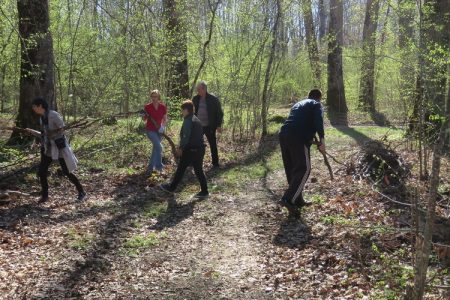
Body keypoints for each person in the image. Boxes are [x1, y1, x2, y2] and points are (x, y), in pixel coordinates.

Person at [25, 97, 86, 203]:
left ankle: (81, 192)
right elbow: (44, 134)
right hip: (47, 149)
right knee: (42, 172)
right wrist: (32, 132)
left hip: (59, 147)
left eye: (34, 106)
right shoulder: (41, 118)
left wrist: (53, 133)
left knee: (67, 172)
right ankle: (45, 196)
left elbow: (63, 129)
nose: (33, 108)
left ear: (40, 106)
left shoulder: (53, 115)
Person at [278, 89, 325, 219]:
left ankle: (297, 199)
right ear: (319, 98)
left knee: (293, 168)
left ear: (308, 96)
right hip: (298, 137)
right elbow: (318, 121)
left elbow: (301, 120)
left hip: (283, 135)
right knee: (304, 168)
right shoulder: (316, 104)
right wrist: (322, 140)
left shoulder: (298, 104)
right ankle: (288, 199)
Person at [160, 100, 209, 199]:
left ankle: (171, 187)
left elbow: (186, 136)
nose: (182, 112)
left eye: (182, 110)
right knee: (198, 170)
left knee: (181, 168)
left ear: (186, 110)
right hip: (200, 149)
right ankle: (205, 191)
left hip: (191, 149)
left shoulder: (188, 120)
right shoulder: (196, 119)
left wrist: (181, 148)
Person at [192, 81, 224, 168]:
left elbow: (219, 113)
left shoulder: (213, 99)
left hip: (210, 126)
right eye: (197, 89)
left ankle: (215, 163)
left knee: (212, 144)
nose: (197, 91)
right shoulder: (195, 99)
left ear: (204, 89)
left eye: (199, 89)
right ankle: (193, 162)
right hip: (198, 126)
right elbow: (192, 112)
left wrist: (218, 125)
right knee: (194, 143)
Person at [143, 90, 167, 174]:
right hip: (150, 130)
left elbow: (165, 119)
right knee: (159, 147)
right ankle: (159, 166)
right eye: (152, 96)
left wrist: (162, 127)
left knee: (155, 148)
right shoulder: (147, 107)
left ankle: (150, 167)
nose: (154, 98)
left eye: (156, 96)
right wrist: (143, 115)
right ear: (151, 97)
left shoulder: (162, 107)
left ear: (158, 97)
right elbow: (144, 119)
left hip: (159, 130)